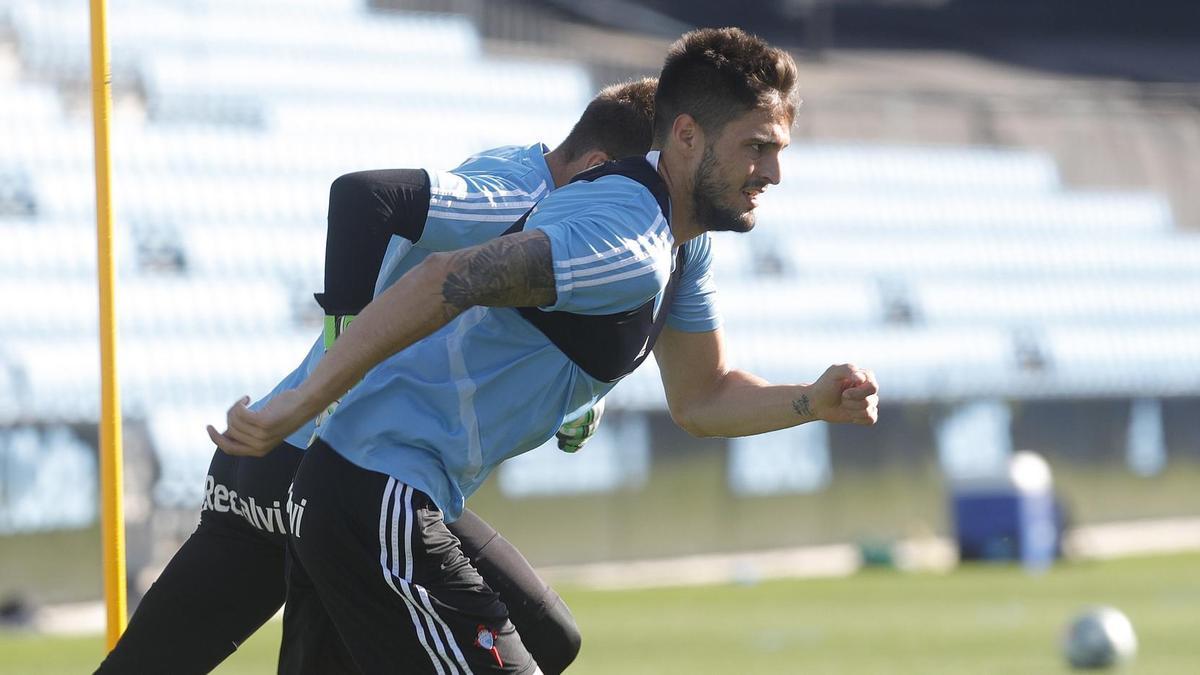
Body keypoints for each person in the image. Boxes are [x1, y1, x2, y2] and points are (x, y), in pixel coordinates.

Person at [211, 27, 880, 675]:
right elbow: (445, 279)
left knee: (547, 636)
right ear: (685, 136)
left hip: (373, 492)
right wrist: (300, 401)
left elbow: (703, 395)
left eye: (779, 148)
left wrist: (811, 401)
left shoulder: (684, 240)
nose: (774, 171)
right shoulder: (626, 247)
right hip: (376, 493)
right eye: (756, 147)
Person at [95, 78, 657, 675]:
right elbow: (365, 195)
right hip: (327, 464)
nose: (632, 208)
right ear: (598, 166)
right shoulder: (524, 190)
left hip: (281, 463)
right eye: (631, 188)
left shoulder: (533, 183)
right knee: (542, 638)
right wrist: (340, 370)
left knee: (547, 636)